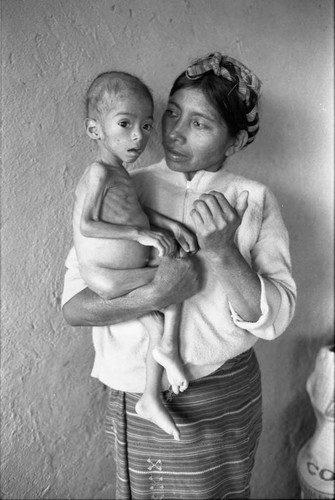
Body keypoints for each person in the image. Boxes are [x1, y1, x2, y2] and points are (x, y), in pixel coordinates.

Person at [62, 52, 297, 499]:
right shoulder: (128, 185)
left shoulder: (253, 200)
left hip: (223, 391)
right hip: (137, 389)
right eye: (172, 113)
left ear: (234, 141)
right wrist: (157, 293)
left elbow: (275, 318)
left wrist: (225, 251)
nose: (173, 131)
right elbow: (74, 307)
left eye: (200, 123)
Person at [72, 71, 198, 441]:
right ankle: (169, 353)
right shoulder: (98, 172)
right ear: (95, 130)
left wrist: (168, 226)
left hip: (126, 270)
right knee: (177, 276)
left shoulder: (122, 175)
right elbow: (89, 224)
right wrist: (140, 233)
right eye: (125, 124)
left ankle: (150, 397)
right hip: (105, 276)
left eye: (145, 125)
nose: (138, 136)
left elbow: (136, 212)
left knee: (159, 317)